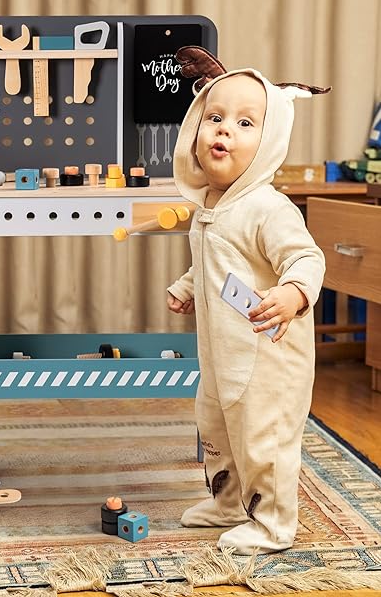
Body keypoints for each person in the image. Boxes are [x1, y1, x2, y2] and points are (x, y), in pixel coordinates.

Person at [167, 47, 328, 554]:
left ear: (269, 141)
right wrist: (189, 285)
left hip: (268, 358)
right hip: (222, 354)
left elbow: (307, 257)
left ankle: (274, 522)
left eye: (243, 123)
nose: (223, 131)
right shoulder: (210, 205)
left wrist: (291, 292)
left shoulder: (267, 207)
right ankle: (228, 500)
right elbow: (215, 259)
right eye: (214, 118)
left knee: (263, 438)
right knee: (215, 425)